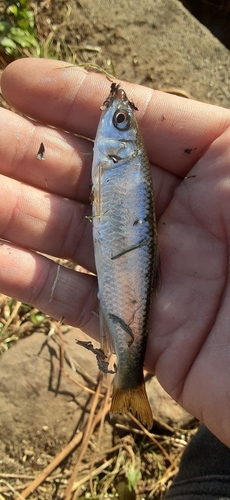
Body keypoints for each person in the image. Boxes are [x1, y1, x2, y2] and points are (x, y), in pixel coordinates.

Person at [1, 58, 230, 497]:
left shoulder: (121, 159)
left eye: (119, 120)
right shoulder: (118, 160)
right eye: (119, 119)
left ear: (122, 144)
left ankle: (129, 379)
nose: (113, 119)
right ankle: (130, 379)